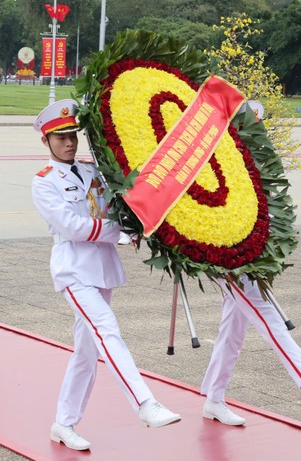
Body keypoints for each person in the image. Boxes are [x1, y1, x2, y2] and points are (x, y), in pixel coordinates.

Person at [30, 100, 181, 451]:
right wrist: (118, 232)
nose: (69, 143)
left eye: (72, 136)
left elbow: (117, 209)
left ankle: (63, 423)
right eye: (60, 137)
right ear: (46, 141)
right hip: (73, 269)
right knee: (106, 329)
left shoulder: (93, 172)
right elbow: (71, 227)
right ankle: (145, 403)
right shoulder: (44, 182)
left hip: (102, 268)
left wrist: (138, 225)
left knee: (85, 352)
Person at [200, 274, 301, 426]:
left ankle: (214, 398)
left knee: (232, 330)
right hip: (226, 263)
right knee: (268, 318)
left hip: (236, 259)